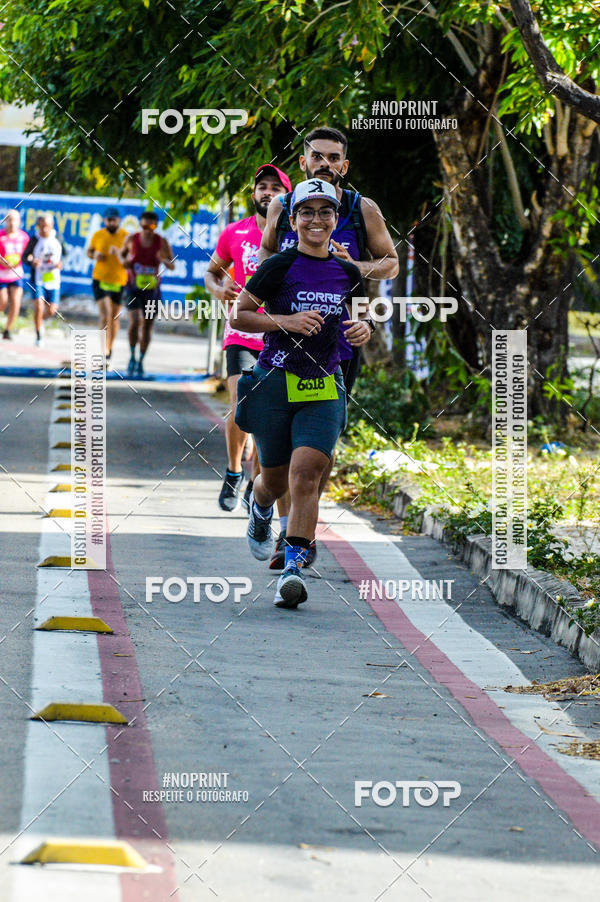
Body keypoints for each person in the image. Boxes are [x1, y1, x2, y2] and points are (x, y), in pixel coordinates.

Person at [259, 125, 399, 568]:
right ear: (302, 163)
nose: (325, 163)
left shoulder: (363, 209)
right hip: (283, 340)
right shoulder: (284, 206)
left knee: (319, 448)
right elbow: (264, 259)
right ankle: (286, 533)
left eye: (333, 157)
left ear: (345, 164)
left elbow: (390, 262)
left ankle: (299, 529)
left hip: (339, 341)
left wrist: (347, 264)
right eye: (316, 156)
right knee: (282, 454)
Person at [230, 179, 368, 609]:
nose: (316, 220)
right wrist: (285, 322)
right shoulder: (278, 267)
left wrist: (364, 329)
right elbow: (241, 316)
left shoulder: (348, 271)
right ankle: (259, 505)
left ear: (335, 220)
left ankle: (292, 568)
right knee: (272, 480)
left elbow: (359, 321)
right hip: (275, 383)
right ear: (292, 220)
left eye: (325, 212)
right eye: (306, 212)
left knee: (306, 474)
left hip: (325, 383)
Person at [205, 163, 292, 512]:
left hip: (280, 333)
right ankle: (233, 470)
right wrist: (218, 288)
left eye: (275, 187)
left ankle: (259, 481)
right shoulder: (234, 232)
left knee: (267, 415)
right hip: (241, 329)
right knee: (243, 401)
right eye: (262, 187)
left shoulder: (295, 234)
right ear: (253, 194)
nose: (267, 192)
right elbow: (211, 272)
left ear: (286, 196)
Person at [121, 211, 175, 378]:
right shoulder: (131, 239)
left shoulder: (161, 242)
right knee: (135, 321)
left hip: (152, 291)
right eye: (144, 226)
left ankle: (141, 360)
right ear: (140, 225)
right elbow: (122, 259)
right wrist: (127, 263)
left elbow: (172, 265)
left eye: (151, 226)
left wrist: (162, 259)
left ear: (155, 226)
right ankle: (131, 355)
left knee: (147, 326)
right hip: (133, 288)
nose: (147, 230)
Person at [87, 207, 129, 366]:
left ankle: (110, 348)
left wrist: (118, 252)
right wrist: (94, 255)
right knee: (105, 314)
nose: (111, 222)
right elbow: (89, 252)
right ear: (104, 220)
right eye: (108, 220)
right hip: (100, 279)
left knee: (114, 317)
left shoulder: (126, 236)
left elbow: (129, 257)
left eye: (114, 220)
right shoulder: (98, 235)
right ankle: (103, 349)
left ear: (118, 220)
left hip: (118, 280)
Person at [31, 214, 62, 346]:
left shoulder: (58, 238)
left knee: (52, 310)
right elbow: (26, 256)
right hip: (38, 278)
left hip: (52, 278)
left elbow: (65, 253)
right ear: (38, 226)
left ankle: (39, 321)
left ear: (52, 225)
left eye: (47, 226)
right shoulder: (34, 239)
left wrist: (61, 263)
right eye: (42, 226)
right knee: (39, 304)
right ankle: (38, 335)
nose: (44, 229)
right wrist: (32, 261)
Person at [0, 210, 30, 341]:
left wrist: (30, 258)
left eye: (15, 220)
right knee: (3, 302)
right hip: (1, 274)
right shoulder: (1, 236)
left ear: (19, 222)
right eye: (9, 219)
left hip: (17, 274)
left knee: (16, 302)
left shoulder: (24, 237)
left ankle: (8, 330)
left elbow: (29, 253)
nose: (12, 223)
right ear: (5, 221)